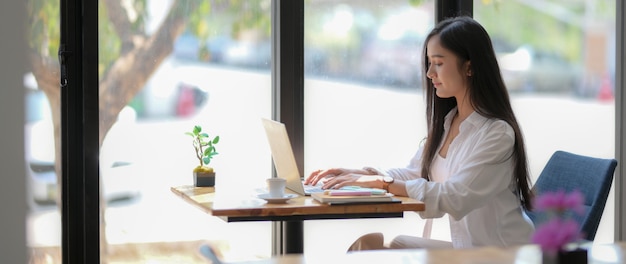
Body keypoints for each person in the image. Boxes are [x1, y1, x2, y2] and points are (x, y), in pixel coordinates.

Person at [304, 16, 534, 250]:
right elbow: (416, 173)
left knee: (377, 250)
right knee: (374, 245)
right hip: (467, 251)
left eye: (438, 63)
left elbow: (454, 197)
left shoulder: (497, 133)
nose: (429, 73)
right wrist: (360, 174)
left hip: (501, 255)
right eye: (429, 63)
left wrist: (382, 184)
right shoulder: (449, 122)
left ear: (469, 66)